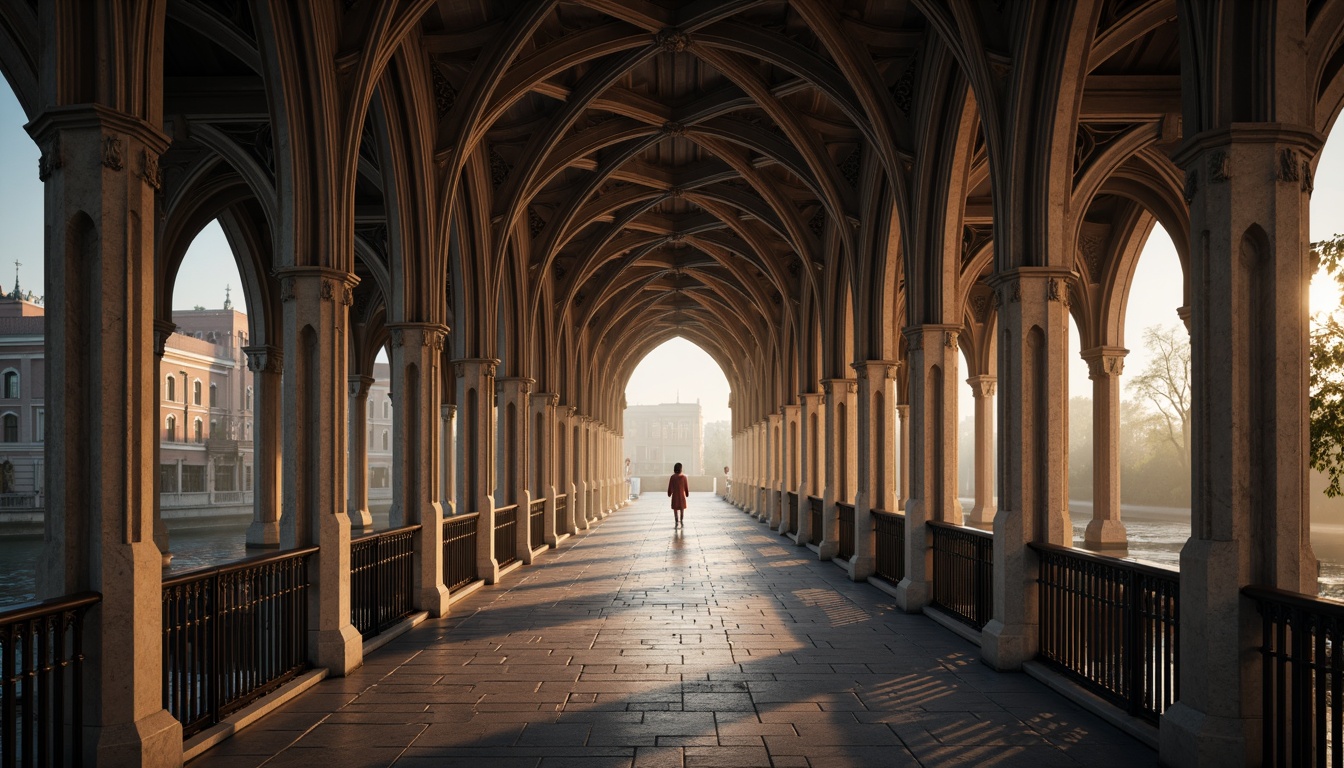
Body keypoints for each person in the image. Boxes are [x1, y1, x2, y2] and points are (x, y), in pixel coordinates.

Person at [667, 462, 690, 528]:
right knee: (682, 509)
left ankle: (676, 520)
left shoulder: (672, 477)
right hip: (682, 496)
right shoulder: (684, 477)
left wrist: (669, 493)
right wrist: (687, 493)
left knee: (675, 509)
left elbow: (670, 486)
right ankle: (681, 520)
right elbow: (686, 487)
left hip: (675, 496)